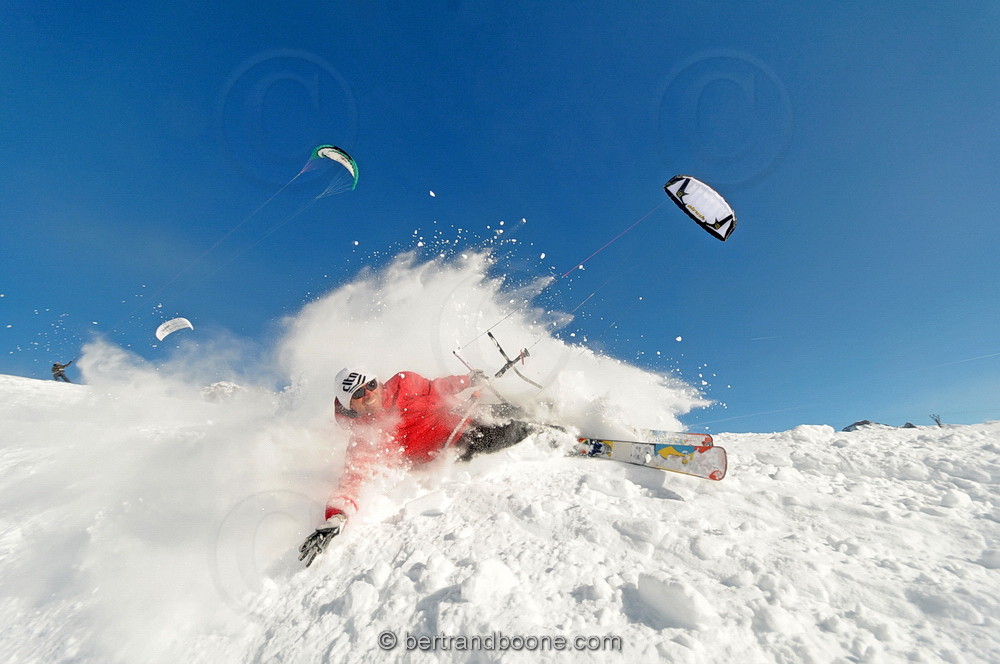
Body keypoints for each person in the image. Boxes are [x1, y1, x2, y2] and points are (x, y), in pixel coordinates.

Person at [299, 366, 534, 566]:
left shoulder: (404, 382)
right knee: (518, 432)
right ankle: (563, 441)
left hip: (469, 413)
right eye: (357, 393)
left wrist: (468, 380)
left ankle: (560, 421)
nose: (368, 393)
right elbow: (352, 484)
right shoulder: (366, 440)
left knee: (528, 410)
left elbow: (438, 387)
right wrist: (335, 519)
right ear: (349, 405)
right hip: (458, 442)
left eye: (370, 385)